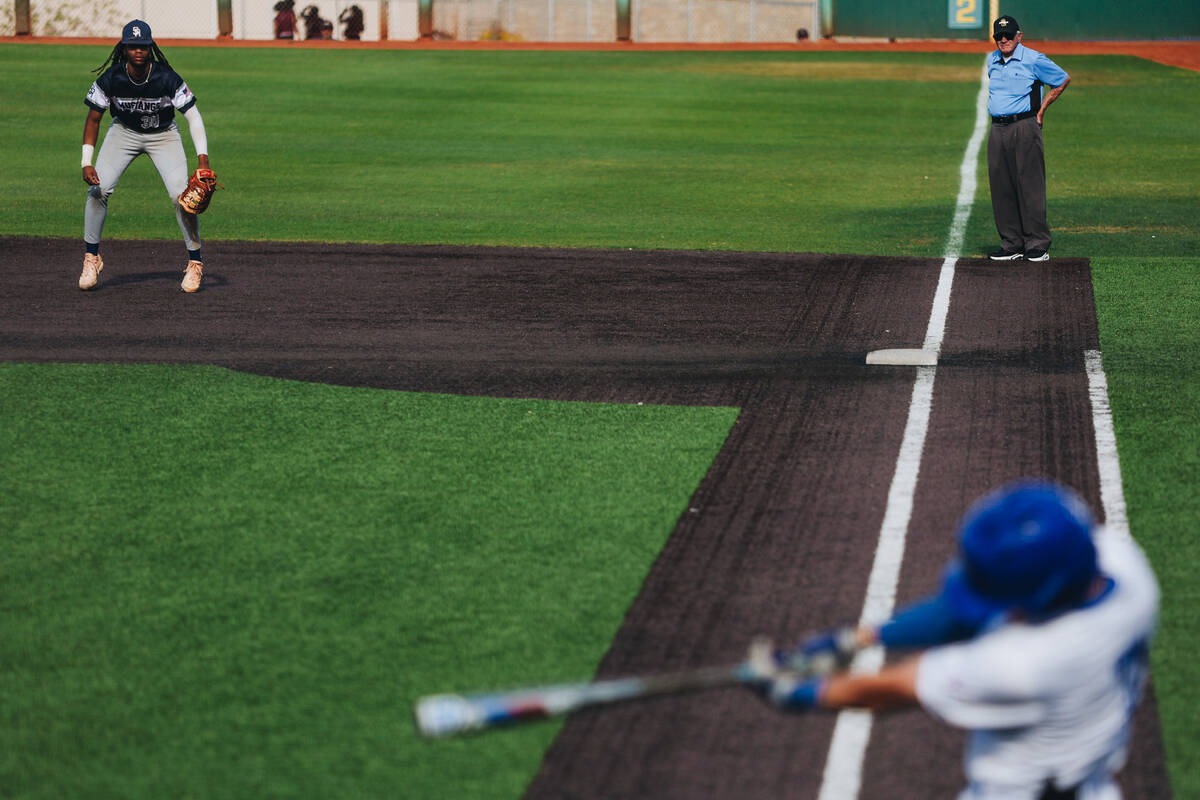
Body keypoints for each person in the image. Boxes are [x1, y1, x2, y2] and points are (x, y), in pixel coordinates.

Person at [749, 481, 1159, 800]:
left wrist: (792, 691)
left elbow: (889, 689)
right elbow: (960, 612)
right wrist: (856, 639)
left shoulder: (1025, 665)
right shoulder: (1124, 566)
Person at [80, 20, 214, 293]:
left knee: (183, 196)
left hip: (164, 135)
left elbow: (193, 115)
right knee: (98, 189)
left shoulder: (167, 77)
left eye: (143, 46)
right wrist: (86, 161)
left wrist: (203, 158)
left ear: (150, 47)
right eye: (132, 46)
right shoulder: (110, 78)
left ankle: (195, 262)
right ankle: (91, 258)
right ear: (124, 47)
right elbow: (93, 118)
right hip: (124, 133)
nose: (138, 51)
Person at [985, 16, 1071, 263]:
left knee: (1029, 185)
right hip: (997, 129)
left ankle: (1037, 244)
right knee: (1001, 187)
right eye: (999, 36)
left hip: (1024, 126)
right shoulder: (992, 60)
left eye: (1009, 35)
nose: (1004, 39)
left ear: (1018, 36)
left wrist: (1041, 111)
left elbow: (1062, 79)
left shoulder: (1033, 59)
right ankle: (1011, 243)